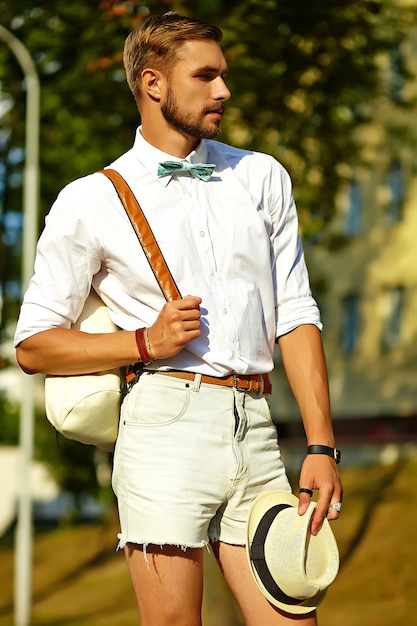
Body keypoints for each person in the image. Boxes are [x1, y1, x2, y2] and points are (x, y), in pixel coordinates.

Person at [15, 11, 342, 626]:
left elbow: (295, 311)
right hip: (165, 425)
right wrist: (143, 341)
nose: (223, 91)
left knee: (294, 620)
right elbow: (33, 345)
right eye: (206, 76)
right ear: (153, 84)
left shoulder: (262, 177)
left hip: (258, 426)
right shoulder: (90, 200)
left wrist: (322, 444)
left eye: (224, 76)